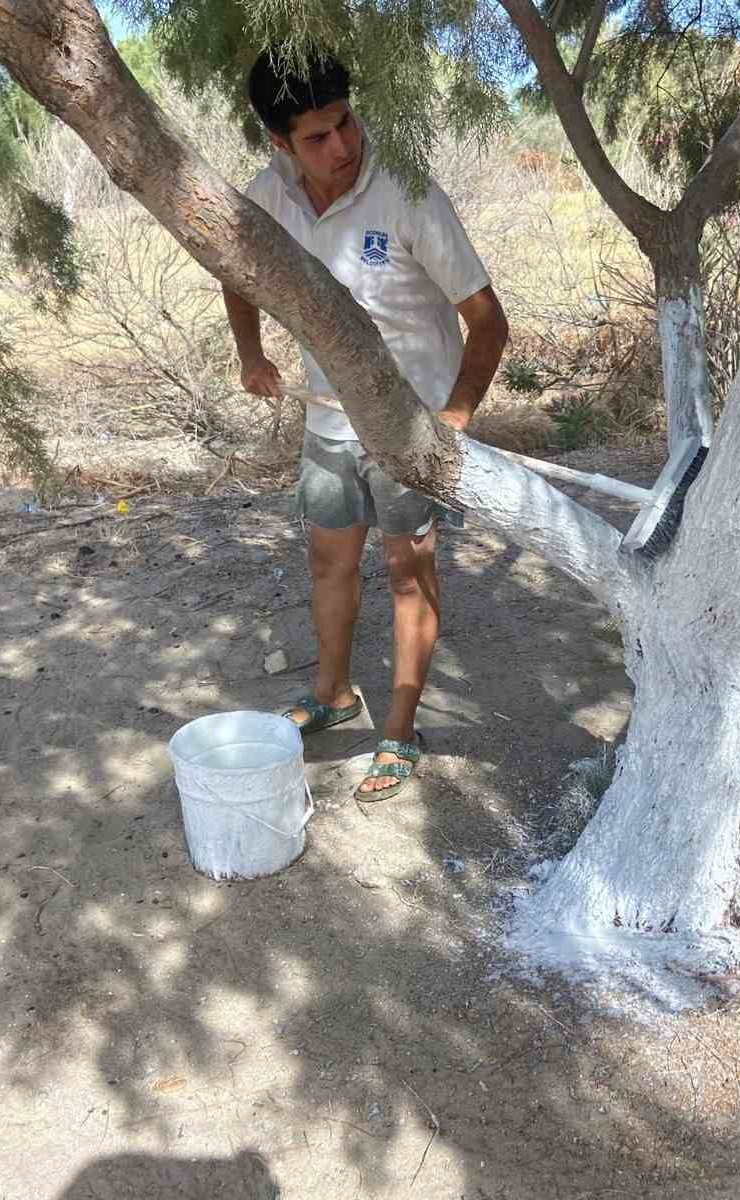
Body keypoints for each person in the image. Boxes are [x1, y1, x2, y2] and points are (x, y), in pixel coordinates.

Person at [223, 48, 508, 800]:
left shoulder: (407, 192)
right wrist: (251, 353)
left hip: (412, 428)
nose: (342, 147)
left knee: (408, 573)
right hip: (328, 423)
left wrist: (452, 417)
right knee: (328, 563)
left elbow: (488, 322)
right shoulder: (268, 195)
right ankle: (334, 693)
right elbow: (235, 269)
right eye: (316, 138)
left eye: (344, 123)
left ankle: (401, 728)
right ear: (280, 145)